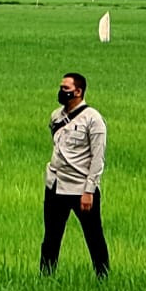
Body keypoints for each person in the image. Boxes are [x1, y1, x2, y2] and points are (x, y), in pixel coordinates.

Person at [40, 72, 109, 278]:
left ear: (78, 91)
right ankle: (45, 277)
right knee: (51, 237)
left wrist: (89, 191)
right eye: (61, 87)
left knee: (93, 236)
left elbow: (97, 159)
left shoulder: (93, 119)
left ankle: (102, 276)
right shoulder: (56, 116)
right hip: (56, 186)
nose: (61, 92)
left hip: (81, 189)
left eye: (66, 89)